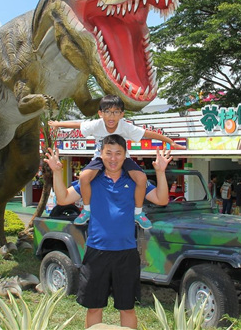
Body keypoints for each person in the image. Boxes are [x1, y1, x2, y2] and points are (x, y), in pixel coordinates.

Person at [44, 134, 172, 329]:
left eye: (118, 153)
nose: (113, 158)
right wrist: (56, 171)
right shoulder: (92, 180)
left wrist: (161, 172)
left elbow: (162, 199)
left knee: (127, 308)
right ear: (101, 155)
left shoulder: (135, 181)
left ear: (125, 156)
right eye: (109, 153)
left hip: (127, 254)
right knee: (94, 308)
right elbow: (63, 199)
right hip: (96, 252)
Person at [49, 94, 185, 229]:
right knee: (84, 176)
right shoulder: (96, 125)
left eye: (115, 112)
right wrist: (57, 124)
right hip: (98, 159)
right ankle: (86, 210)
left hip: (125, 160)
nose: (111, 116)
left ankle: (138, 213)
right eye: (107, 112)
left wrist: (170, 143)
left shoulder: (126, 127)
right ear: (100, 113)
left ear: (122, 114)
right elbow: (78, 125)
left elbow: (148, 134)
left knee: (141, 177)